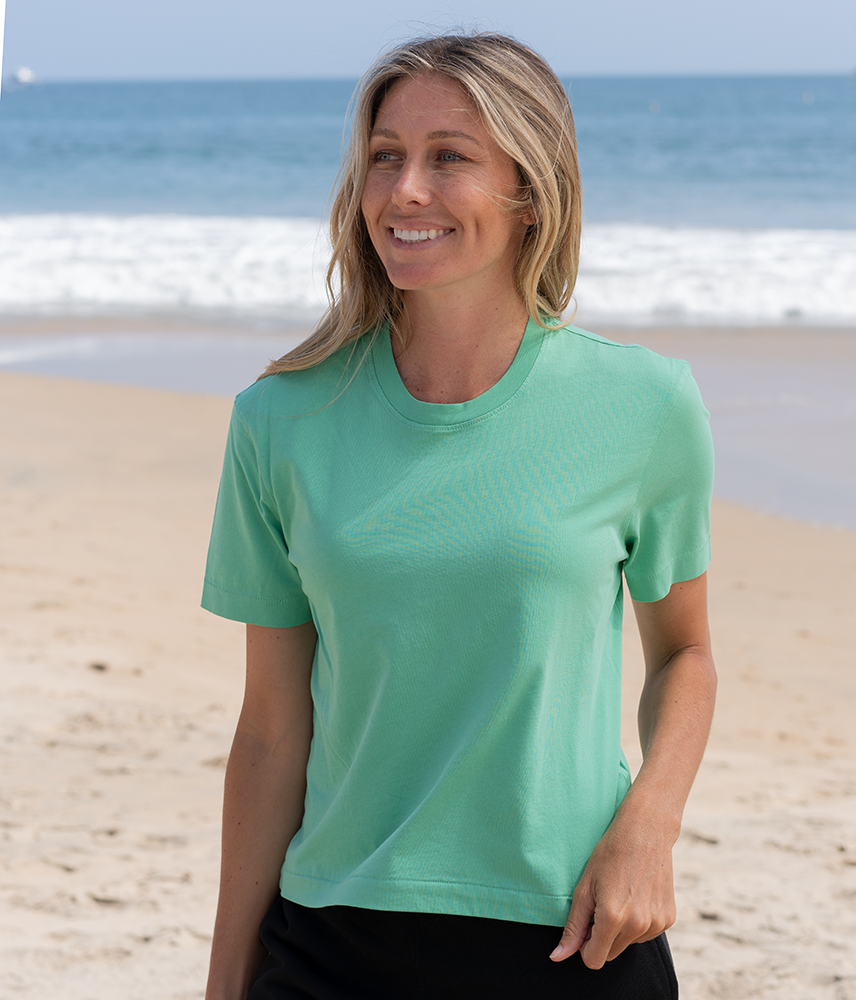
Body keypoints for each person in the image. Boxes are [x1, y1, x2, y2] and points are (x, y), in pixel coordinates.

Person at [201, 32, 716, 1000]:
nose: (404, 191)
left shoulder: (644, 405)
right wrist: (226, 979)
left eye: (449, 157)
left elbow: (684, 654)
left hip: (570, 934)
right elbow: (270, 729)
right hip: (331, 940)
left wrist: (649, 828)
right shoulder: (280, 419)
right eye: (384, 155)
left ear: (531, 190)